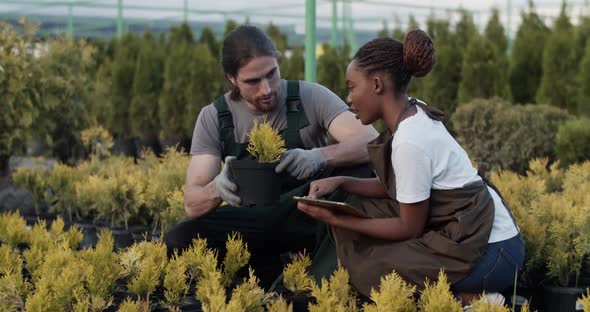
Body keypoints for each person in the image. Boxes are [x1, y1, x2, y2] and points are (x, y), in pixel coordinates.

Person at [296, 29, 524, 306]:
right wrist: (341, 181)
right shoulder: (413, 112)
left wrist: (338, 219)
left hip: (492, 254)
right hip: (477, 236)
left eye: (352, 87)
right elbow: (402, 186)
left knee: (374, 267)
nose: (349, 99)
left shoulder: (410, 140)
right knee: (362, 211)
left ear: (377, 84)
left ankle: (472, 299)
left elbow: (408, 227)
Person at [163, 25, 378, 287]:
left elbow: (370, 140)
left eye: (271, 74)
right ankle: (249, 283)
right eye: (253, 81)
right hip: (252, 219)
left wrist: (319, 156)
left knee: (361, 173)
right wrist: (216, 189)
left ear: (277, 63)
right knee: (181, 237)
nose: (266, 89)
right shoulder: (215, 117)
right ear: (232, 78)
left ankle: (324, 281)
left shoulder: (309, 96)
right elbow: (192, 203)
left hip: (307, 212)